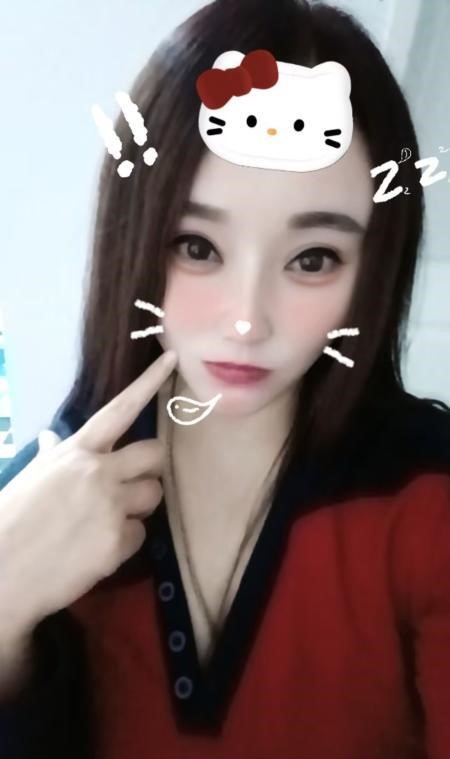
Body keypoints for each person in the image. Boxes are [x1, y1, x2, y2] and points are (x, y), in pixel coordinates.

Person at [0, 0, 450, 757]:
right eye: (197, 246)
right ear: (133, 237)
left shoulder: (425, 499)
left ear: (374, 268)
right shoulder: (43, 505)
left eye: (313, 259)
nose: (246, 320)